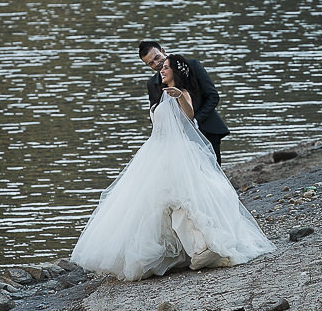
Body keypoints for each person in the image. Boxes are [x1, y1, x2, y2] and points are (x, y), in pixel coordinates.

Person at [70, 54, 274, 281]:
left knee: (182, 200)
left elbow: (189, 116)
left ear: (176, 72)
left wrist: (180, 97)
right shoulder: (158, 93)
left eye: (165, 67)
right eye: (159, 67)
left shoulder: (181, 93)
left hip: (179, 153)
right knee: (148, 204)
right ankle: (167, 252)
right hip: (155, 152)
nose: (161, 70)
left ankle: (201, 249)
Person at [138, 40, 230, 164]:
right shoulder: (152, 84)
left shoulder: (192, 66)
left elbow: (213, 96)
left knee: (213, 172)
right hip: (177, 142)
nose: (156, 63)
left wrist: (195, 121)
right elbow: (155, 113)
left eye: (157, 57)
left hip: (206, 129)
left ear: (163, 51)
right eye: (151, 63)